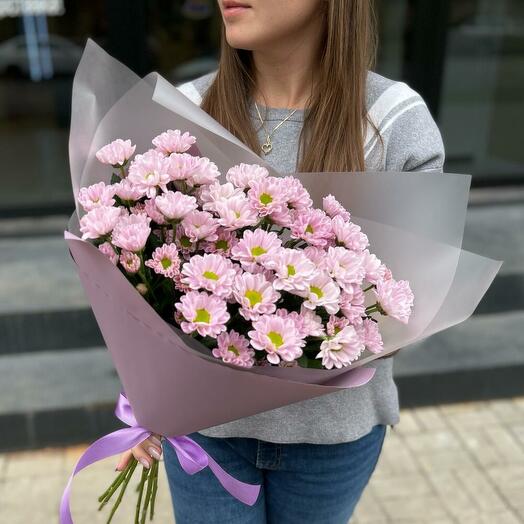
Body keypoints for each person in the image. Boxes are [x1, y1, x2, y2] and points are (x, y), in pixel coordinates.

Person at [115, 1, 445, 522]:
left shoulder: (393, 122)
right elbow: (133, 278)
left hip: (332, 438)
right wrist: (148, 393)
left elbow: (412, 301)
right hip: (207, 436)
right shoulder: (181, 111)